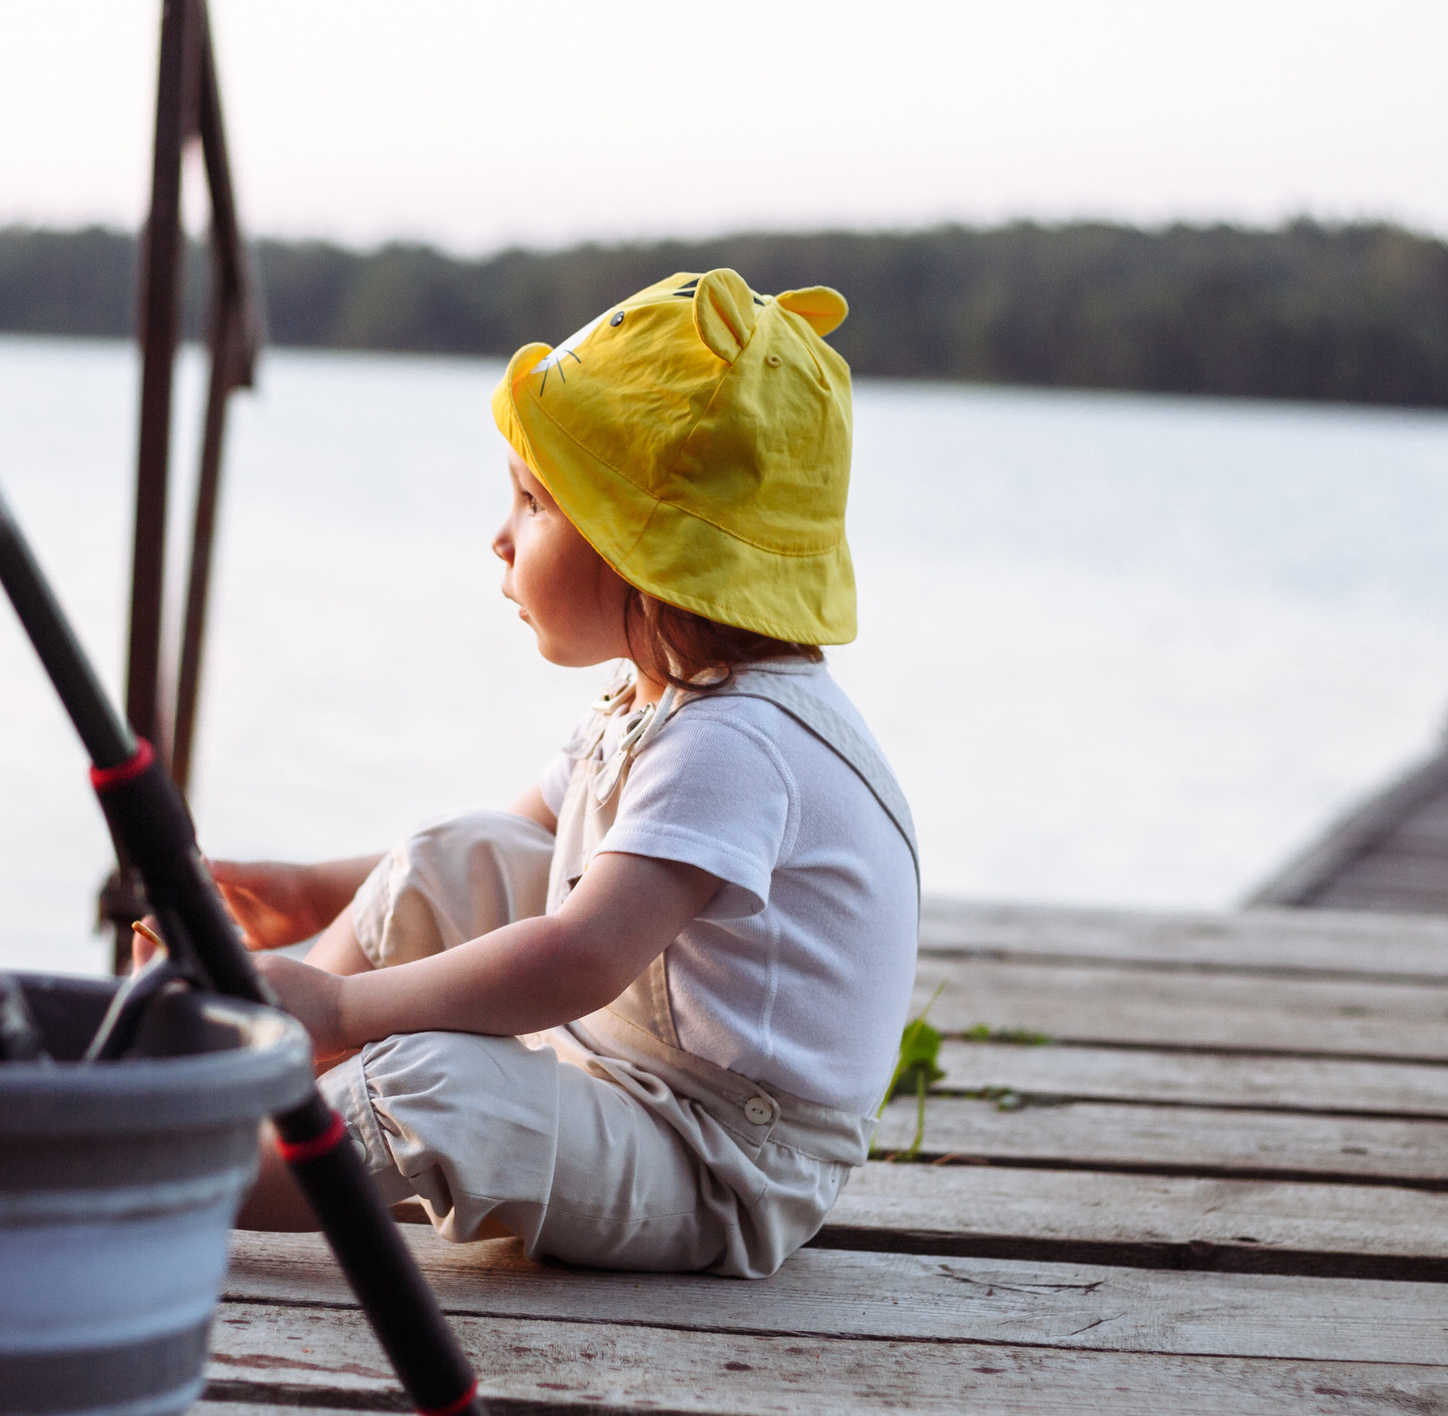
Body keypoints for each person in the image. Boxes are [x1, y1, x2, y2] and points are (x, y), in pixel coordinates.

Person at [185, 269, 920, 1280]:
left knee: (427, 1082)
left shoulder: (735, 743)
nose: (498, 536)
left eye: (532, 503)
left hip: (721, 1163)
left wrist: (350, 1010)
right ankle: (236, 1077)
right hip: (634, 1076)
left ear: (644, 549)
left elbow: (582, 955)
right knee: (447, 854)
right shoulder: (656, 700)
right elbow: (504, 847)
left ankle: (168, 1172)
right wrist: (315, 891)